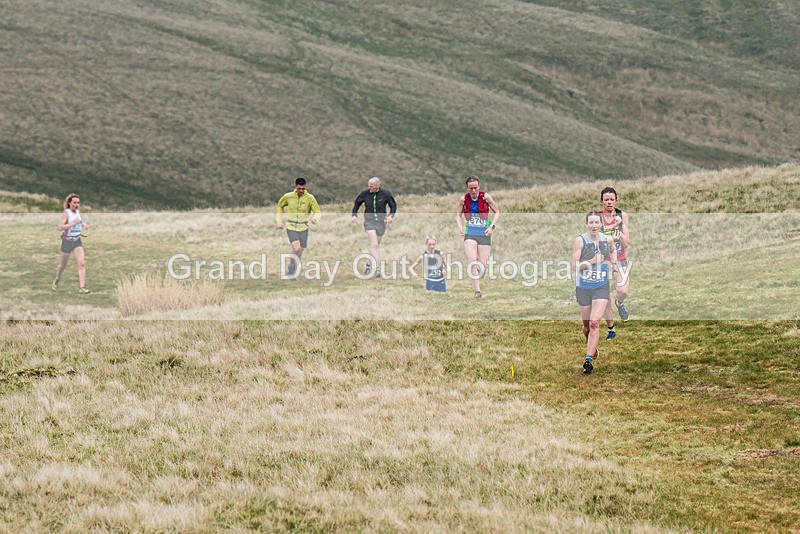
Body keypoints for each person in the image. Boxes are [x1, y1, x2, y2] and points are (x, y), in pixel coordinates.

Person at [572, 211, 618, 374]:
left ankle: (588, 360)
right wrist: (591, 262)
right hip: (583, 288)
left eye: (596, 223)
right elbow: (574, 266)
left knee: (594, 323)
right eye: (590, 223)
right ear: (586, 224)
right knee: (586, 327)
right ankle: (593, 347)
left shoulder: (607, 239)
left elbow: (613, 250)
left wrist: (614, 263)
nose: (593, 226)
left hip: (601, 286)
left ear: (600, 225)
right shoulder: (580, 241)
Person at [456, 175, 500, 298]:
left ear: (479, 187)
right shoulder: (463, 199)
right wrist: (460, 228)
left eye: (475, 188)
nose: (473, 191)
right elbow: (458, 215)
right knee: (472, 261)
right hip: (470, 233)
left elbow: (497, 211)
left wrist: (491, 226)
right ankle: (477, 292)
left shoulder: (486, 197)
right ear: (467, 188)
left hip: (484, 233)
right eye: (471, 189)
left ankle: (481, 273)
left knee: (482, 265)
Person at [599, 187, 631, 339]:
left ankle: (620, 303)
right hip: (603, 261)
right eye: (606, 199)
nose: (609, 202)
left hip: (620, 259)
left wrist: (619, 237)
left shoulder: (622, 215)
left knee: (623, 291)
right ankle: (611, 329)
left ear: (616, 201)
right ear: (602, 202)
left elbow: (627, 243)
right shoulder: (597, 218)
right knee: (604, 296)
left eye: (612, 199)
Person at [351, 177, 397, 277]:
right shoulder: (365, 193)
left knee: (374, 247)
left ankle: (368, 265)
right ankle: (377, 269)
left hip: (381, 223)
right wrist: (354, 215)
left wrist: (391, 216)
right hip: (369, 221)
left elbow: (393, 205)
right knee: (374, 244)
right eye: (368, 186)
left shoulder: (386, 194)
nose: (369, 188)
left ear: (378, 186)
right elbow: (357, 204)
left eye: (371, 186)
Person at [276, 177, 321, 277]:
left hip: (304, 228)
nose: (301, 191)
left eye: (303, 189)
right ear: (295, 187)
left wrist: (315, 219)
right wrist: (279, 221)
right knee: (296, 249)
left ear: (305, 188)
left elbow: (317, 211)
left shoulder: (310, 198)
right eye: (299, 188)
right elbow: (280, 206)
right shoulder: (288, 196)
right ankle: (291, 268)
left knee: (300, 252)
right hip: (291, 226)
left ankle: (294, 272)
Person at [53, 193, 90, 294]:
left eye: (78, 203)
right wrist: (72, 223)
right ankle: (57, 280)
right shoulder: (66, 213)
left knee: (82, 263)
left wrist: (84, 224)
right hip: (67, 241)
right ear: (69, 203)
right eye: (74, 202)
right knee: (62, 265)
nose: (76, 204)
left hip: (77, 241)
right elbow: (60, 227)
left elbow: (79, 222)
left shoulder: (77, 212)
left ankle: (82, 287)